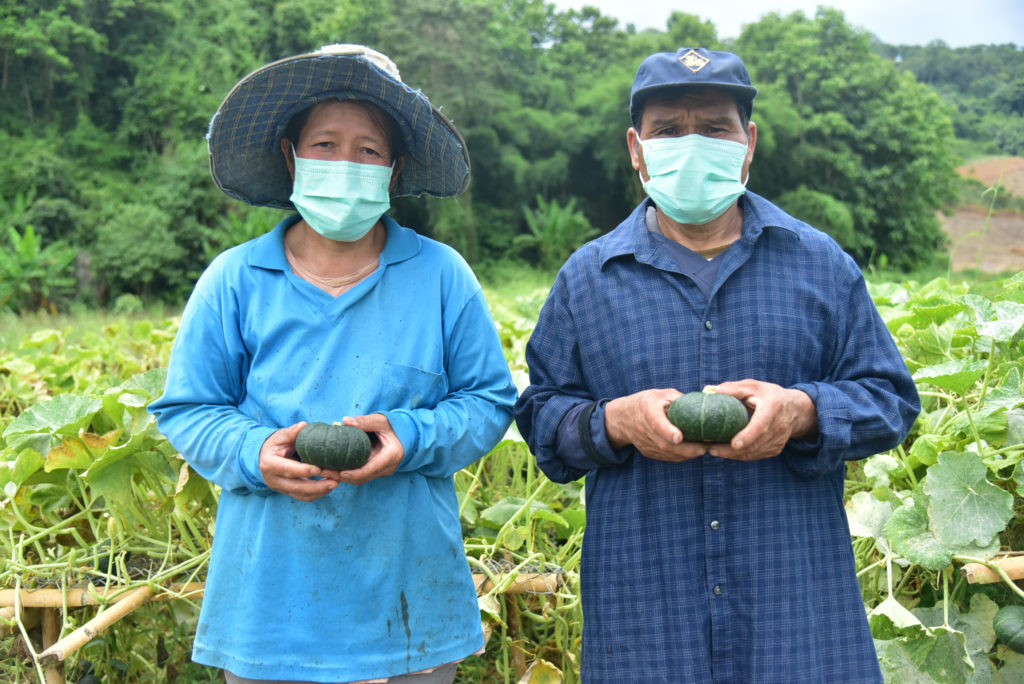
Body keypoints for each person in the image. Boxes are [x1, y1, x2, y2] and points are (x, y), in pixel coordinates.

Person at [513, 47, 920, 683]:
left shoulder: (821, 265)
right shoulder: (588, 280)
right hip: (646, 620)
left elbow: (890, 401)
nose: (692, 143)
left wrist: (803, 411)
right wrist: (615, 422)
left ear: (748, 142)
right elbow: (542, 417)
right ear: (636, 148)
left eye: (714, 128)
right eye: (669, 130)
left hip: (793, 610)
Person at [149, 44, 517, 684]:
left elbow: (488, 401)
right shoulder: (234, 280)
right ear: (291, 156)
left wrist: (409, 436)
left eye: (368, 150)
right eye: (324, 143)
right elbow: (189, 408)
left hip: (411, 613)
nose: (346, 162)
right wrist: (254, 450)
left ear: (394, 168)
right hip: (267, 611)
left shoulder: (441, 276)